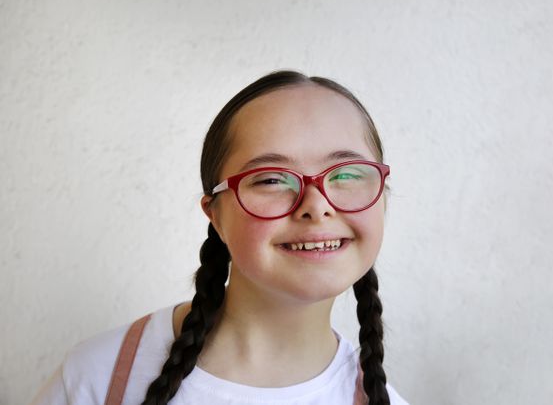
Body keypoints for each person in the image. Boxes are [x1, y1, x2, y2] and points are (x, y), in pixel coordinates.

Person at [30, 70, 408, 405]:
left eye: (346, 174)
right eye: (272, 179)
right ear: (215, 214)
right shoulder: (98, 378)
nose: (316, 205)